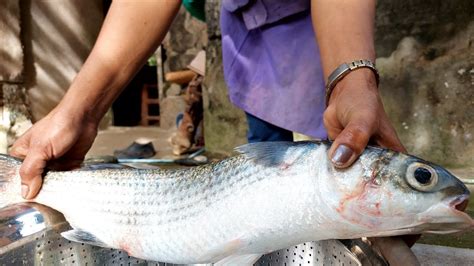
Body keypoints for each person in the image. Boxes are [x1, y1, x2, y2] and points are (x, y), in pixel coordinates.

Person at [11, 0, 404, 202]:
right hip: (253, 28)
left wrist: (352, 80)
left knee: (333, 142)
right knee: (266, 139)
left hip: (317, 26)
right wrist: (78, 110)